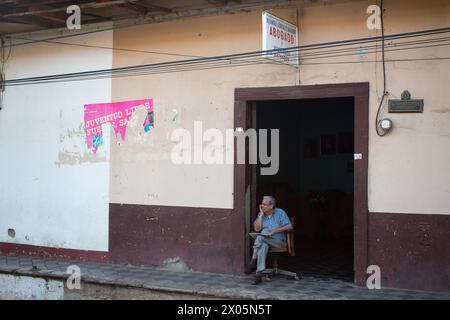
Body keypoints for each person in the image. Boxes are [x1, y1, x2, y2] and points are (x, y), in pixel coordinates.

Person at [247, 196, 293, 284]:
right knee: (262, 245)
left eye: (264, 204)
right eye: (261, 204)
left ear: (271, 206)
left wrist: (274, 231)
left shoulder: (280, 212)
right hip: (265, 242)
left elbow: (290, 226)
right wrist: (260, 216)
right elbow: (257, 229)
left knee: (260, 237)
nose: (261, 206)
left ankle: (253, 259)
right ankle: (259, 274)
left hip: (278, 242)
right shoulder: (261, 215)